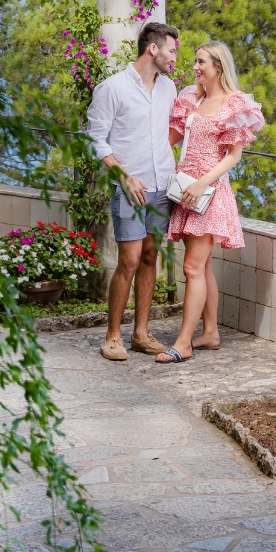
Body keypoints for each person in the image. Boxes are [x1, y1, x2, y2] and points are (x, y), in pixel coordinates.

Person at [156, 41, 264, 363]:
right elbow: (168, 140)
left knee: (191, 267)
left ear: (218, 66)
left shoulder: (234, 104)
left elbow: (233, 157)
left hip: (210, 192)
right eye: (195, 61)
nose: (195, 67)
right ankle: (211, 332)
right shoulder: (192, 98)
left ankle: (184, 342)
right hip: (185, 190)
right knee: (202, 266)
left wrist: (203, 182)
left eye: (201, 62)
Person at [87, 21, 179, 361]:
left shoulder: (169, 88)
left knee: (150, 257)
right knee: (128, 260)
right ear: (152, 48)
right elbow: (97, 140)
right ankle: (113, 336)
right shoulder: (112, 88)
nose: (174, 58)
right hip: (130, 189)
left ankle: (140, 334)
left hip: (161, 189)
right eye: (171, 50)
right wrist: (124, 176)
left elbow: (174, 129)